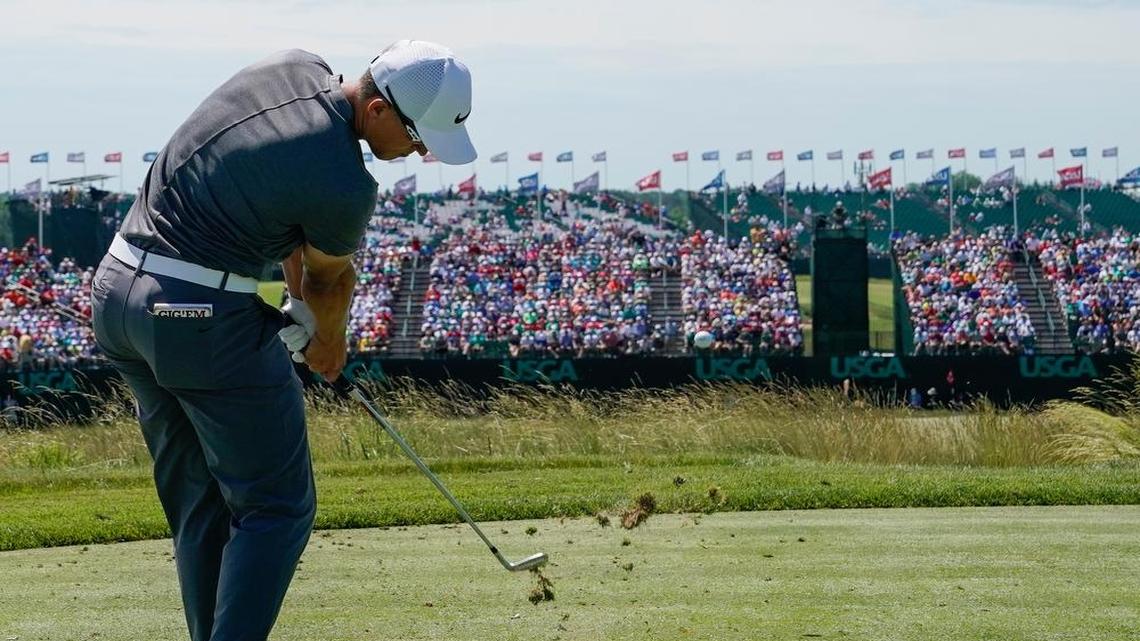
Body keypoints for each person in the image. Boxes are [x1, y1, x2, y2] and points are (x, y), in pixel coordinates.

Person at [90, 40, 476, 641]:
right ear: (377, 111)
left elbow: (279, 215)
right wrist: (326, 342)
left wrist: (291, 299)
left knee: (203, 501)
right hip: (199, 318)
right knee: (277, 507)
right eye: (418, 136)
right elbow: (331, 279)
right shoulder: (346, 182)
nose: (421, 151)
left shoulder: (293, 65)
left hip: (117, 292)